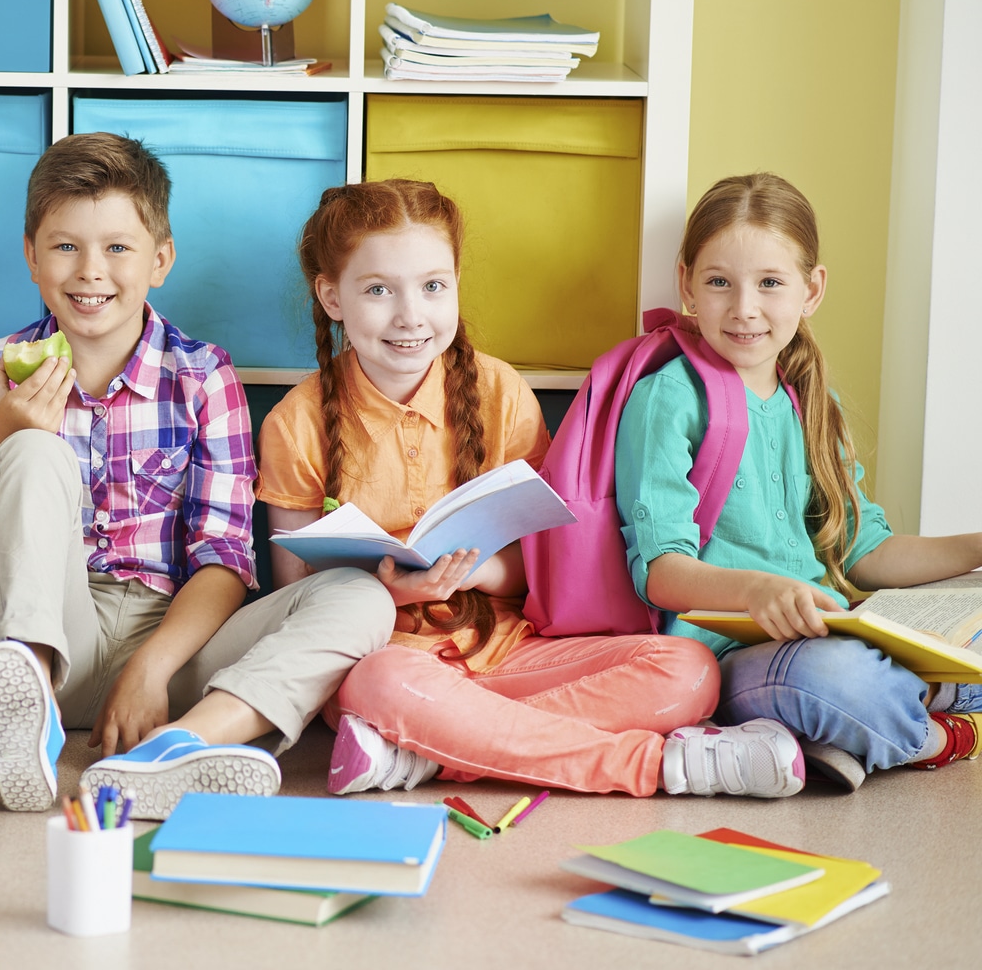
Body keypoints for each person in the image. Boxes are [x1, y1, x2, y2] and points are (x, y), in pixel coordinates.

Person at [0, 132, 392, 820]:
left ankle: (172, 750)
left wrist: (151, 667)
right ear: (31, 256)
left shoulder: (205, 377)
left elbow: (225, 558)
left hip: (171, 645)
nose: (91, 271)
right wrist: (5, 435)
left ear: (161, 260)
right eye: (66, 246)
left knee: (361, 597)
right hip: (32, 625)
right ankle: (27, 714)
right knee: (35, 452)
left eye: (117, 247)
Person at [297, 181, 805, 800]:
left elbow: (542, 567)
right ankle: (655, 766)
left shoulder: (501, 392)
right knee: (382, 683)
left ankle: (434, 745)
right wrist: (390, 587)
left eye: (433, 286)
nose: (410, 315)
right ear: (332, 296)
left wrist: (478, 571)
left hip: (509, 652)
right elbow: (302, 600)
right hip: (388, 657)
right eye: (379, 290)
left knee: (688, 671)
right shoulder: (295, 423)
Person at [615, 172, 982, 791]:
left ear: (811, 290)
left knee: (887, 651)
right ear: (687, 284)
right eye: (718, 283)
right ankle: (939, 732)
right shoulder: (668, 400)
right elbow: (659, 571)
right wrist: (758, 591)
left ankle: (850, 731)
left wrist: (976, 549)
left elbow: (864, 554)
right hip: (731, 657)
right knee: (839, 681)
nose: (744, 308)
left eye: (769, 283)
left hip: (830, 627)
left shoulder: (812, 402)